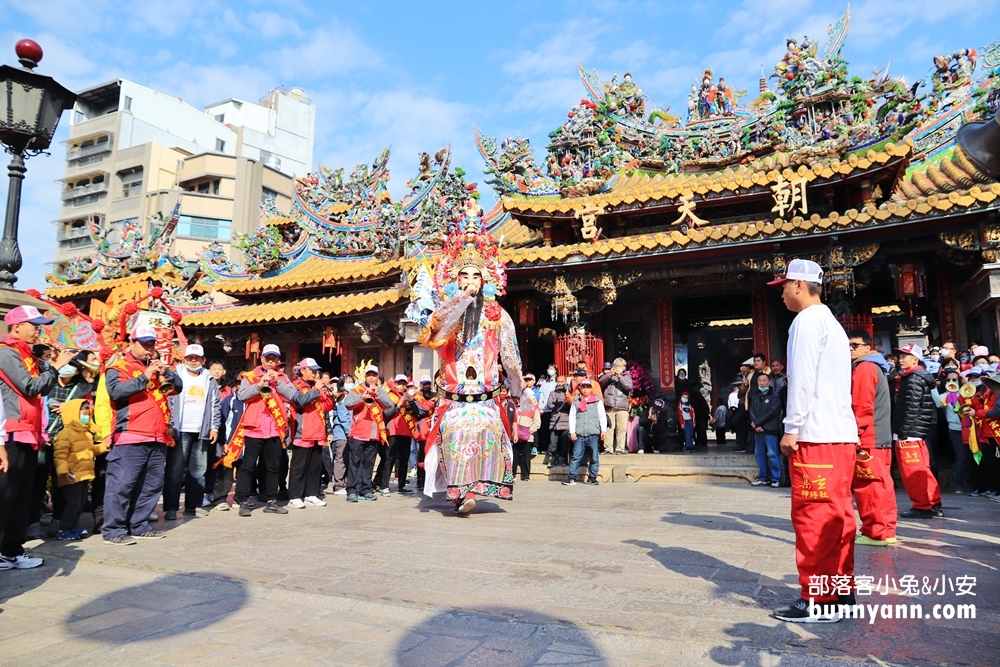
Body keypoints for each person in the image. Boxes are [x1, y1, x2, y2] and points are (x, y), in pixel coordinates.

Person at [414, 207, 523, 514]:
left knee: (489, 428)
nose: (472, 280)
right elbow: (434, 337)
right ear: (454, 277)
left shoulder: (498, 315)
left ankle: (475, 488)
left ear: (487, 278)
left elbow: (511, 356)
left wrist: (515, 388)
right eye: (465, 275)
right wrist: (461, 300)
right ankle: (460, 492)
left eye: (477, 274)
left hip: (486, 397)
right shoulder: (448, 313)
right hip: (455, 398)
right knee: (454, 429)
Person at [767, 259, 859, 624]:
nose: (783, 294)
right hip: (839, 435)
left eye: (785, 287)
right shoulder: (833, 325)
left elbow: (801, 378)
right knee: (838, 515)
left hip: (816, 436)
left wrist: (792, 427)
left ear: (800, 286)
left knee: (814, 517)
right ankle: (841, 590)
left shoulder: (805, 321)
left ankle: (819, 599)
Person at [0, 307, 73, 567]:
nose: (38, 330)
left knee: (22, 496)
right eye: (34, 325)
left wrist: (49, 366)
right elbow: (29, 387)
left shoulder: (25, 354)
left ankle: (11, 551)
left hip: (28, 432)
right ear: (17, 325)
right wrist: (53, 368)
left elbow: (39, 389)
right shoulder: (6, 352)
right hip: (12, 432)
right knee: (6, 494)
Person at [102, 324, 182, 545]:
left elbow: (178, 388)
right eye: (145, 344)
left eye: (152, 344)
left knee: (151, 485)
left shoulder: (157, 368)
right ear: (131, 344)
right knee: (121, 485)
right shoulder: (117, 368)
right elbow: (116, 392)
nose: (149, 349)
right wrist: (144, 377)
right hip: (130, 435)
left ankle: (139, 525)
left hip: (158, 436)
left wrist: (167, 373)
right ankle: (113, 530)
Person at [229, 344, 298, 517]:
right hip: (254, 428)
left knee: (273, 467)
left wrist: (278, 382)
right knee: (248, 466)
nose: (271, 361)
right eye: (268, 358)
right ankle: (242, 500)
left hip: (275, 429)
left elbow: (292, 396)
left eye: (274, 358)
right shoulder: (250, 376)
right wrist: (259, 384)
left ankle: (271, 500)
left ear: (278, 360)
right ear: (261, 359)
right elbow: (242, 396)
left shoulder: (282, 377)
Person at [847, 330, 897, 546]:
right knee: (882, 483)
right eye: (848, 345)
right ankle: (886, 530)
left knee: (869, 486)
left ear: (867, 347)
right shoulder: (876, 366)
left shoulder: (865, 368)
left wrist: (856, 433)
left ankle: (875, 532)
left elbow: (861, 405)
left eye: (854, 345)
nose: (850, 349)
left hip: (869, 437)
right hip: (879, 435)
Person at [164, 344, 221, 520]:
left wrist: (214, 427)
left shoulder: (209, 378)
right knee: (175, 470)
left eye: (197, 358)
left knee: (198, 471)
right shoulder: (176, 375)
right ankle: (171, 508)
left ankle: (191, 507)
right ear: (185, 359)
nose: (193, 361)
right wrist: (170, 425)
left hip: (201, 430)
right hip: (180, 429)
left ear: (203, 360)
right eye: (190, 358)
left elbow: (215, 404)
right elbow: (167, 401)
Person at [892, 344, 943, 519]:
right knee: (923, 469)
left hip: (910, 433)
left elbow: (911, 409)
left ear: (915, 359)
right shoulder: (916, 377)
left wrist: (903, 433)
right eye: (900, 356)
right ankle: (933, 502)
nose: (900, 360)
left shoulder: (913, 379)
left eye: (904, 356)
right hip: (916, 431)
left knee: (912, 472)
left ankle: (922, 506)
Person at [52, 399, 105, 540]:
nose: (86, 415)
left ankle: (73, 526)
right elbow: (59, 455)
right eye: (83, 412)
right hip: (71, 475)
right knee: (73, 503)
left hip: (84, 475)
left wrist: (105, 446)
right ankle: (64, 529)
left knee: (80, 502)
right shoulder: (65, 433)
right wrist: (63, 472)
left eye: (88, 412)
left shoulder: (86, 433)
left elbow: (91, 450)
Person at [342, 365, 395, 503]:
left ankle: (366, 489)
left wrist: (378, 394)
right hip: (358, 433)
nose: (371, 377)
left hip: (373, 434)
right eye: (369, 375)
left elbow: (390, 405)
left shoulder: (381, 391)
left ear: (378, 377)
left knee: (369, 463)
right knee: (354, 463)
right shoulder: (357, 390)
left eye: (374, 375)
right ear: (364, 377)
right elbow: (347, 403)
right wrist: (361, 397)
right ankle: (352, 490)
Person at [287, 358, 333, 509]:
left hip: (318, 432)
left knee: (315, 466)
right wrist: (316, 390)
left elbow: (326, 407)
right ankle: (295, 496)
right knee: (298, 466)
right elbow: (300, 401)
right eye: (312, 370)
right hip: (303, 431)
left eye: (316, 370)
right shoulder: (295, 386)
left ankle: (311, 494)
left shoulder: (316, 387)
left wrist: (330, 394)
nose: (315, 373)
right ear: (302, 370)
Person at [563, 378, 606, 485]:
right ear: (580, 388)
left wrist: (603, 430)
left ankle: (592, 477)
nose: (585, 390)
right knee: (576, 456)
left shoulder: (597, 400)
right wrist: (572, 431)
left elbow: (602, 416)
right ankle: (572, 477)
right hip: (579, 433)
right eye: (583, 387)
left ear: (591, 388)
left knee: (594, 457)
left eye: (588, 387)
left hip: (593, 433)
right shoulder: (576, 401)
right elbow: (572, 417)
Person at [749, 374, 782, 486]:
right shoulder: (755, 396)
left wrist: (758, 422)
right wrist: (755, 424)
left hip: (770, 429)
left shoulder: (775, 395)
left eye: (764, 380)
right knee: (759, 454)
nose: (762, 383)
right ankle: (763, 477)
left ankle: (776, 478)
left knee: (772, 454)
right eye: (760, 381)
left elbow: (772, 412)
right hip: (757, 430)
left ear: (769, 382)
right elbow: (751, 410)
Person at [324, 375, 352, 496]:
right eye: (347, 382)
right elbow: (343, 417)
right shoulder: (341, 396)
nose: (350, 383)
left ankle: (345, 483)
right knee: (340, 459)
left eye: (351, 381)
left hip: (350, 432)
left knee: (348, 460)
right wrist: (349, 432)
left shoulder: (352, 396)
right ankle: (339, 485)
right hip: (342, 433)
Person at [599, 358, 633, 455]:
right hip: (609, 405)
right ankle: (608, 448)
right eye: (616, 366)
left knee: (621, 428)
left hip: (622, 406)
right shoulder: (608, 376)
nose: (617, 368)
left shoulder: (626, 376)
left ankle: (620, 448)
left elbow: (628, 387)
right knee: (609, 428)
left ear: (624, 367)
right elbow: (600, 382)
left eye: (619, 366)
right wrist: (610, 374)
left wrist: (620, 376)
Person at [514, 378, 541, 481]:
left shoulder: (533, 404)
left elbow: (537, 421)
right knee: (515, 455)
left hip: (527, 433)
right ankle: (513, 474)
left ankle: (526, 475)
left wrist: (530, 431)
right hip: (516, 433)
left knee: (526, 456)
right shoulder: (516, 401)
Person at [546, 375, 571, 467]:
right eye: (558, 381)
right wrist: (557, 404)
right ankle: (552, 458)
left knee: (564, 442)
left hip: (565, 421)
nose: (560, 383)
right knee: (553, 442)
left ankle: (562, 460)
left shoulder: (569, 392)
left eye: (562, 382)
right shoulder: (552, 393)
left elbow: (569, 404)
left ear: (565, 382)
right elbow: (549, 404)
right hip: (554, 421)